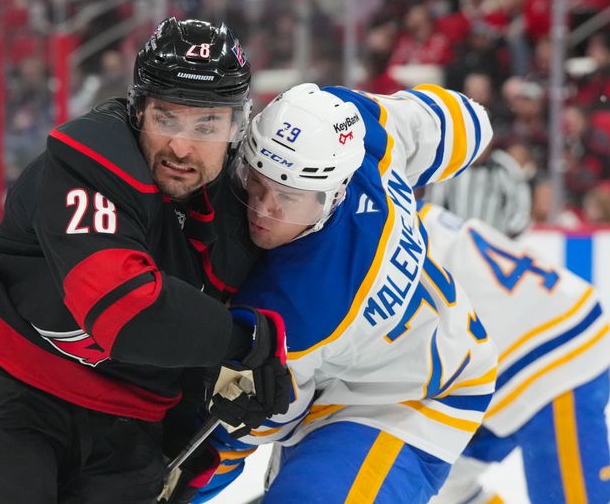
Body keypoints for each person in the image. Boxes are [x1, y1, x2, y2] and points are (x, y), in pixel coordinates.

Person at [0, 18, 293, 504]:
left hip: (132, 427)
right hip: (12, 396)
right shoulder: (91, 158)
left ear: (236, 127)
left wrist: (195, 441)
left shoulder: (239, 207)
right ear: (138, 110)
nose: (183, 146)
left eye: (207, 124)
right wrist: (243, 342)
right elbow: (126, 312)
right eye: (167, 118)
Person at [181, 82, 499, 503]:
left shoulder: (301, 309)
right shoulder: (357, 130)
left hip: (409, 394)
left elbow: (242, 432)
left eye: (288, 197)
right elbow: (454, 123)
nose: (263, 208)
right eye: (255, 181)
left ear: (332, 196)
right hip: (357, 363)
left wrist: (174, 489)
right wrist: (472, 121)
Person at [418, 202, 610, 504]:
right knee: (445, 486)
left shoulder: (376, 236)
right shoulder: (406, 212)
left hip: (550, 358)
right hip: (519, 350)